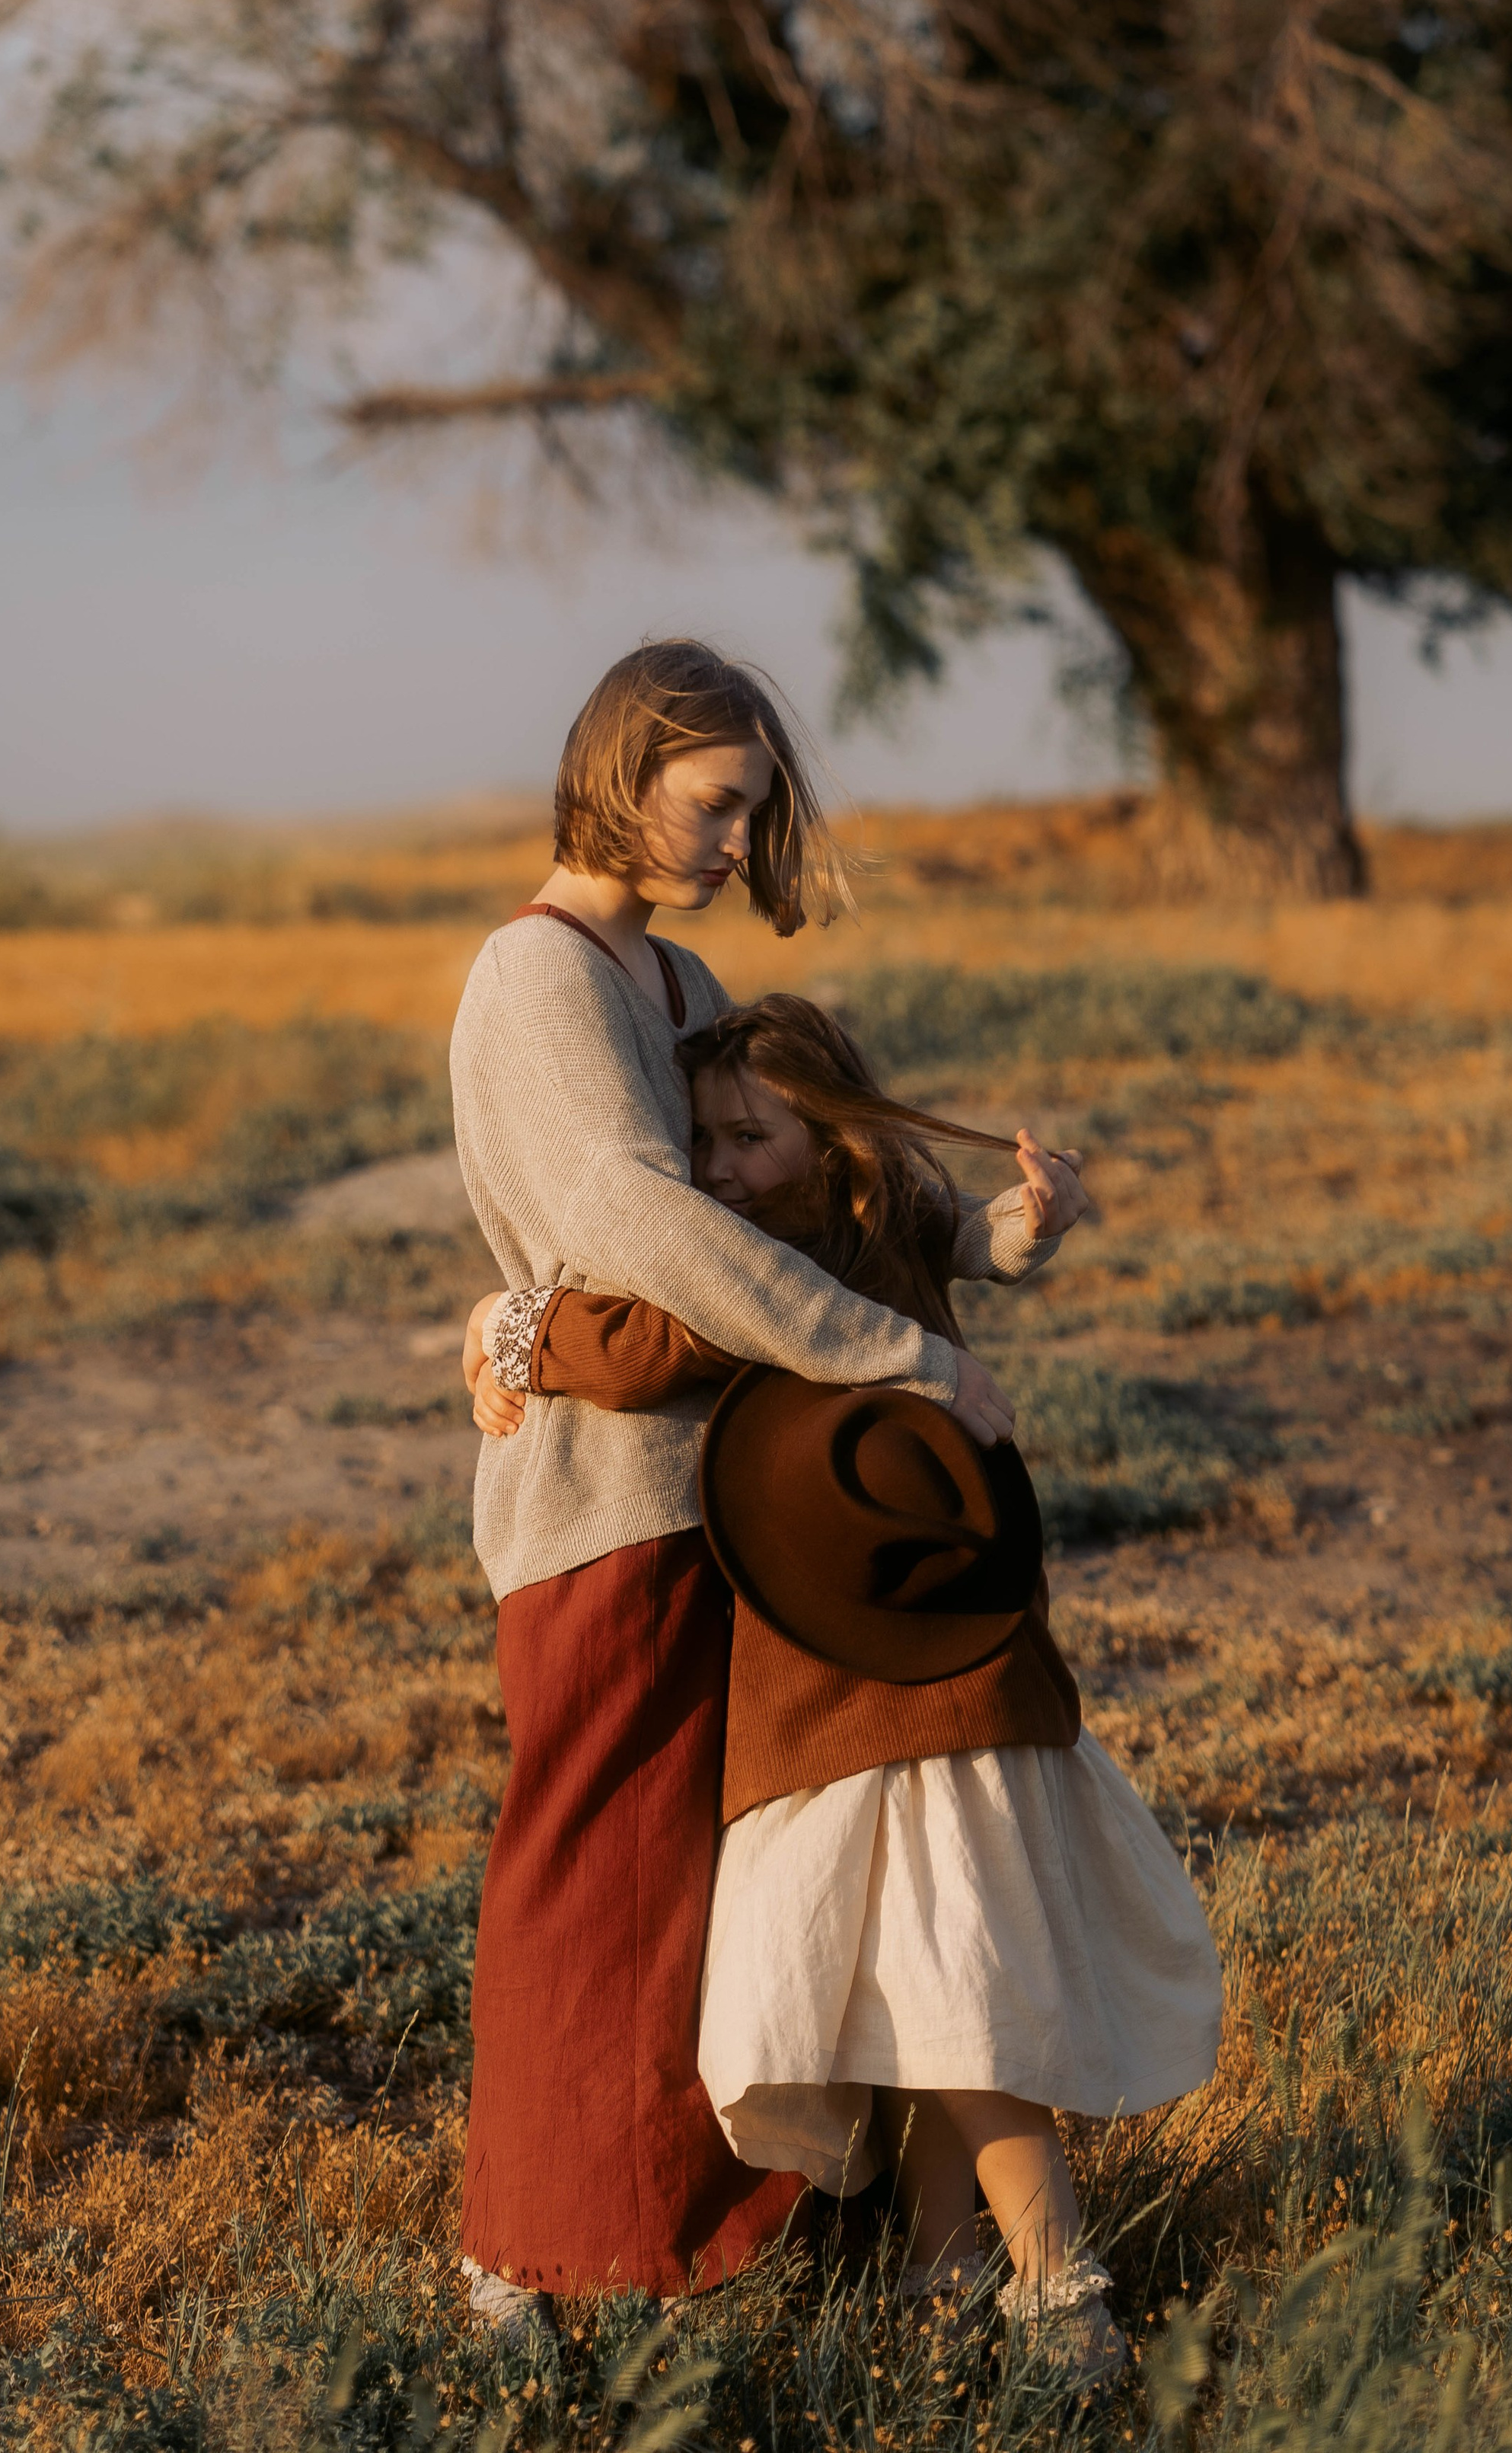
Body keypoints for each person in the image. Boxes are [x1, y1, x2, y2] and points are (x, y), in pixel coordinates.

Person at [465, 995, 1223, 2380]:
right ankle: (943, 2280)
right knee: (936, 1984)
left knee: (945, 1995)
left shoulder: (766, 1265)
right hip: (959, 1657)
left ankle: (1061, 2295)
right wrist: (1015, 1231)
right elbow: (956, 1235)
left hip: (867, 1691)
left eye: (750, 1137)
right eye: (701, 1141)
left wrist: (508, 1328)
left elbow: (639, 1350)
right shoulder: (878, 1223)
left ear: (833, 1143)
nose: (716, 1172)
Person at [447, 641, 1016, 2344]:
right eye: (712, 802)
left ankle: (723, 2238)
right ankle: (518, 2261)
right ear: (622, 773)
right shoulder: (534, 978)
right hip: (601, 1506)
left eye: (752, 808)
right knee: (591, 1882)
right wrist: (885, 1359)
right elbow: (643, 1231)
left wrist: (973, 1249)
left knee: (722, 1890)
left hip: (734, 1496)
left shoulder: (679, 978)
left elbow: (780, 1200)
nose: (729, 837)